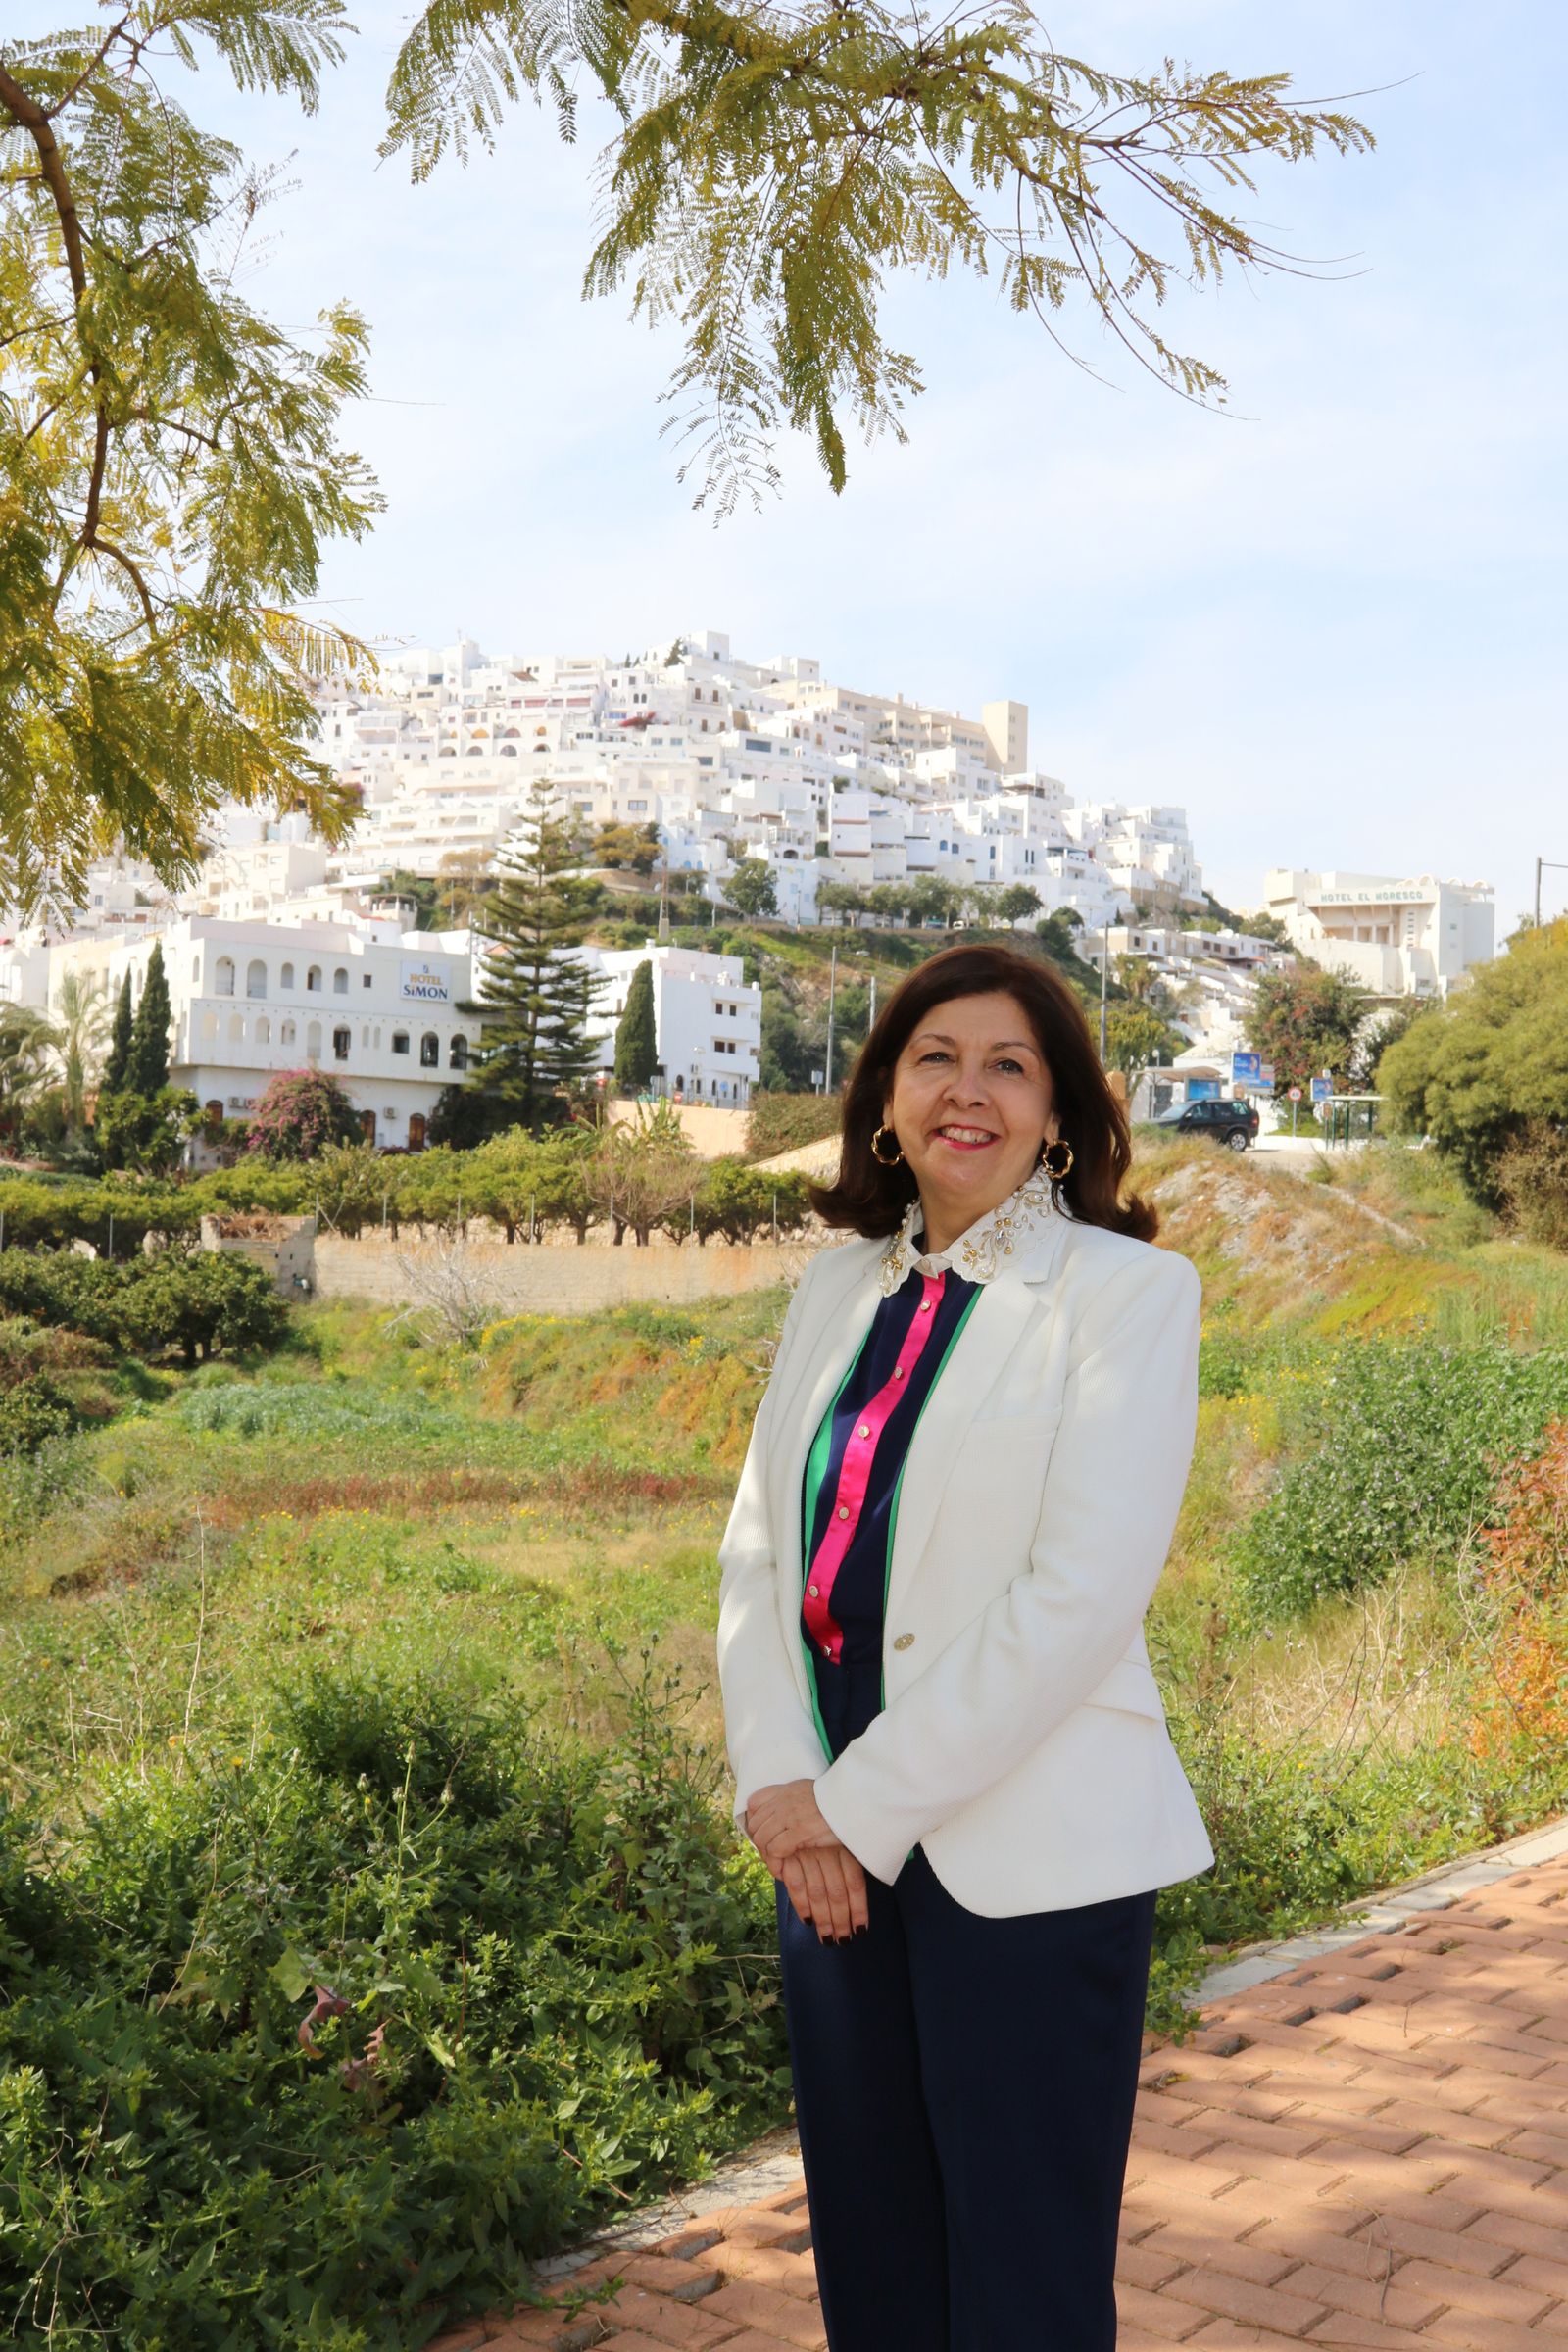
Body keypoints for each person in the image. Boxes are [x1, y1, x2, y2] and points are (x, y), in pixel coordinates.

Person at [716, 940, 1214, 2352]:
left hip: (1024, 1863)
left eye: (1011, 1065)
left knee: (1022, 2285)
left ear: (1059, 1114)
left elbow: (1080, 1597)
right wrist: (779, 1788)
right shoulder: (833, 1291)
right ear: (886, 1097)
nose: (968, 1091)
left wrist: (852, 1809)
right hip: (828, 1861)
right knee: (873, 2261)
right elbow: (759, 1551)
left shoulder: (1125, 1296)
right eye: (936, 1058)